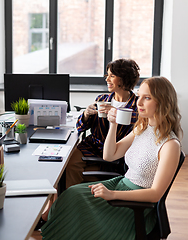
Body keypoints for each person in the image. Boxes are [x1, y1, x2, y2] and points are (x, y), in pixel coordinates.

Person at [40, 76, 182, 239]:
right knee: (70, 195)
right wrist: (113, 124)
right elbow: (110, 155)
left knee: (75, 205)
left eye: (147, 98)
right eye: (139, 95)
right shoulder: (142, 129)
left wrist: (112, 194)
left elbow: (155, 194)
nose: (139, 102)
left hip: (135, 205)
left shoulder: (170, 145)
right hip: (120, 184)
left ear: (163, 102)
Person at [36, 59, 140, 227]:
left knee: (69, 174)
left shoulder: (137, 106)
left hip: (117, 155)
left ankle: (57, 214)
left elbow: (135, 128)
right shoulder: (102, 99)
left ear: (123, 78)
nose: (106, 79)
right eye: (107, 75)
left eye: (112, 76)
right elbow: (81, 127)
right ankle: (61, 212)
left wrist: (115, 113)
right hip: (91, 147)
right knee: (63, 165)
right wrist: (86, 114)